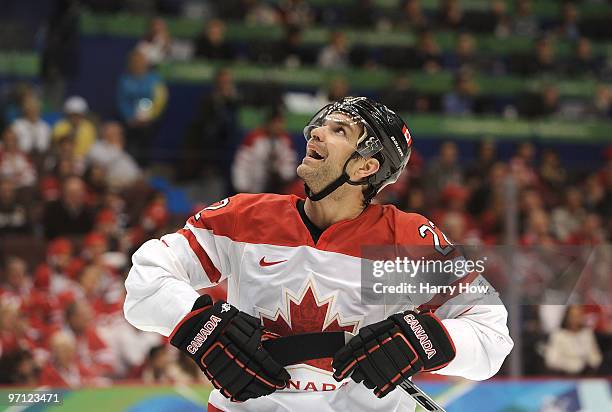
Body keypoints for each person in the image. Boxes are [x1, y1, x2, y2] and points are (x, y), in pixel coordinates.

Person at [124, 97, 513, 411]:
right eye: (319, 125)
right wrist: (199, 328)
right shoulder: (245, 217)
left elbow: (492, 336)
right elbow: (145, 280)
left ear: (366, 166)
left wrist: (424, 341)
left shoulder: (407, 240)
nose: (316, 133)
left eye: (338, 130)